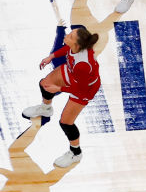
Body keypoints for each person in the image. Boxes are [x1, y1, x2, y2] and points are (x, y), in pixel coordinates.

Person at [20, 27, 101, 168]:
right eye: (70, 34)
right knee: (45, 84)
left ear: (77, 45)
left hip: (84, 89)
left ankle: (76, 153)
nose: (67, 36)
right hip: (73, 73)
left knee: (66, 123)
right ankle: (46, 109)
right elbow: (67, 50)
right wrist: (51, 57)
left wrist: (59, 89)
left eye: (70, 36)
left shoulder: (82, 65)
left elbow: (80, 89)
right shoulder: (76, 48)